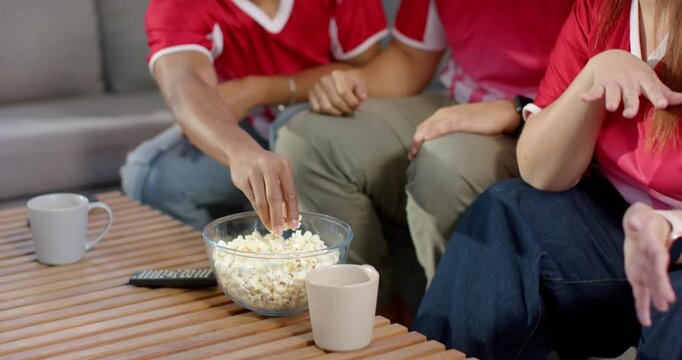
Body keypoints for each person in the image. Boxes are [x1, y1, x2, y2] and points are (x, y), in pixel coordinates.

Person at [413, 0, 682, 358]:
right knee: (506, 212)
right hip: (620, 226)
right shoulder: (598, 9)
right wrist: (594, 75)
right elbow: (540, 170)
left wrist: (666, 226)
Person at [274, 0, 575, 289]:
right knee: (307, 143)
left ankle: (453, 333)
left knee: (445, 162)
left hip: (552, 119)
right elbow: (411, 58)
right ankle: (373, 319)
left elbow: (605, 75)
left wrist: (519, 109)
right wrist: (351, 82)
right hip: (458, 99)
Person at [120, 0, 387, 231]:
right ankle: (221, 275)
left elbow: (371, 73)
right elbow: (184, 85)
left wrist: (257, 90)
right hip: (250, 128)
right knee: (147, 174)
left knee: (292, 138)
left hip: (322, 121)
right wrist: (240, 152)